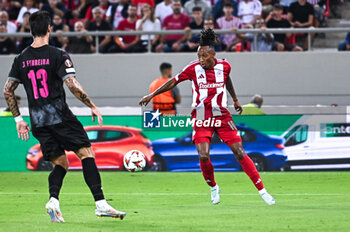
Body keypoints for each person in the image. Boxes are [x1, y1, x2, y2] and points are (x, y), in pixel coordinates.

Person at [3, 11, 126, 223]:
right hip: (60, 117)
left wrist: (18, 120)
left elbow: (8, 90)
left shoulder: (20, 59)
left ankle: (53, 201)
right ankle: (101, 204)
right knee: (86, 153)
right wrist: (92, 105)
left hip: (39, 121)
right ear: (49, 28)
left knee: (60, 163)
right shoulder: (58, 55)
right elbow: (71, 84)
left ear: (31, 30)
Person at [140, 28, 275, 206]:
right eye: (199, 56)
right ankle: (213, 186)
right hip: (202, 114)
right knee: (203, 156)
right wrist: (152, 95)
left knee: (239, 151)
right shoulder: (192, 68)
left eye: (204, 56)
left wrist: (234, 99)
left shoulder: (225, 66)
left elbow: (227, 79)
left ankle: (262, 190)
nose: (201, 59)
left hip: (221, 113)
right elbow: (173, 81)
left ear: (213, 54)